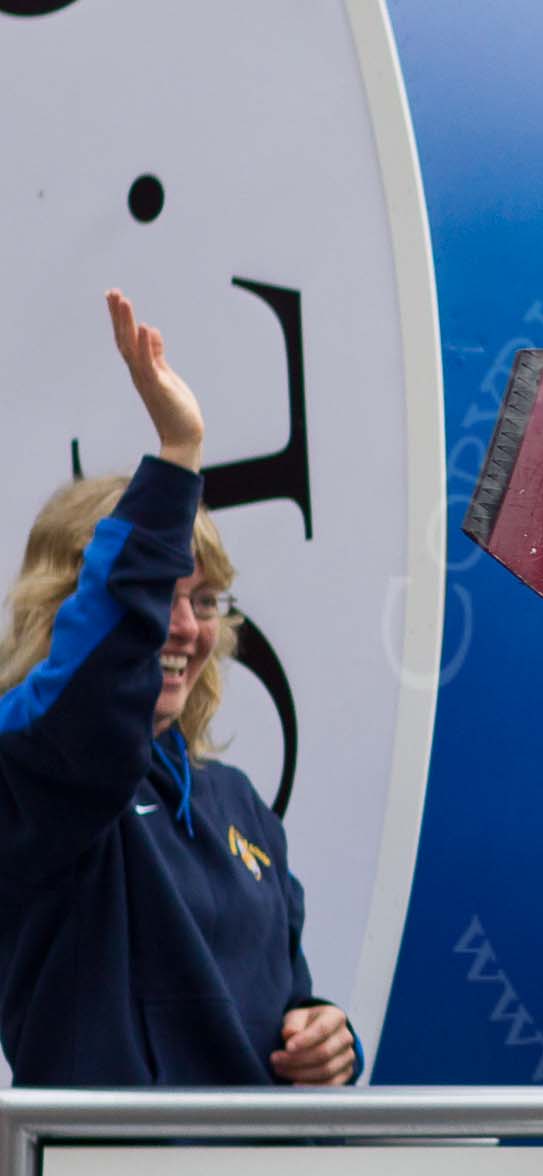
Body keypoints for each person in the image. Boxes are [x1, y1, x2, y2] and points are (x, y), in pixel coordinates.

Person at [0, 291, 357, 1085]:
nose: (185, 629)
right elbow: (90, 694)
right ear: (73, 607)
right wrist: (178, 450)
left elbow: (280, 1002)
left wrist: (327, 1035)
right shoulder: (34, 767)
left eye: (202, 601)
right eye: (157, 597)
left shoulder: (240, 806)